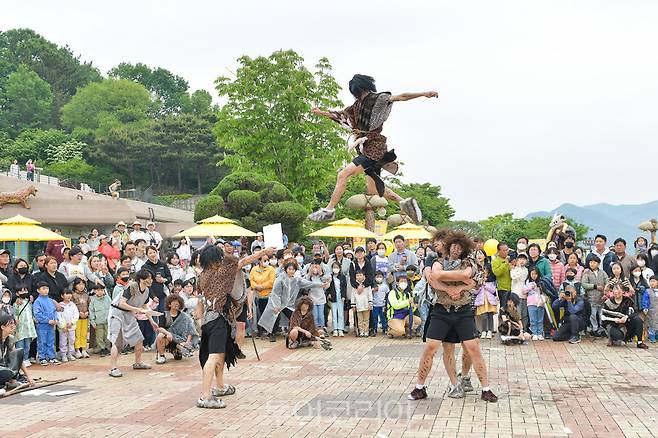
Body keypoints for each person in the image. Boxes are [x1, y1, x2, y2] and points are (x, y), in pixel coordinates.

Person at [308, 74, 435, 223]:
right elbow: (340, 116)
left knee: (343, 174)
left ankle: (329, 210)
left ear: (359, 88)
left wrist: (423, 94)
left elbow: (401, 97)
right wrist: (321, 112)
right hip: (367, 147)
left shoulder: (379, 98)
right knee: (375, 191)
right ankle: (406, 203)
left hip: (374, 147)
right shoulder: (356, 106)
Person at [410, 230, 498, 403]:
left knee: (473, 348)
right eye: (453, 246)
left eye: (460, 247)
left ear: (464, 249)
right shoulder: (437, 261)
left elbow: (468, 276)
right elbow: (434, 276)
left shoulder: (468, 262)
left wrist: (461, 283)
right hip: (441, 310)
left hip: (464, 310)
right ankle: (421, 387)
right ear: (448, 246)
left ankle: (485, 388)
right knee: (432, 347)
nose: (456, 249)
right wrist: (452, 287)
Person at [195, 245, 274, 409]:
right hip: (217, 319)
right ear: (215, 259)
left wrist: (200, 321)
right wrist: (262, 252)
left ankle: (220, 387)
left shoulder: (201, 276)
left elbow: (200, 300)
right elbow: (244, 261)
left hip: (210, 320)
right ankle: (205, 396)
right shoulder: (221, 272)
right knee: (215, 356)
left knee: (221, 355)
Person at [258, 260, 326, 341]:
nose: (291, 271)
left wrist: (321, 285)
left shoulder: (297, 280)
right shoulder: (280, 279)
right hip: (278, 303)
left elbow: (308, 283)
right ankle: (272, 334)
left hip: (289, 305)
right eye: (289, 269)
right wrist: (277, 306)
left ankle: (293, 333)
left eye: (293, 269)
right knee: (276, 317)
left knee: (293, 316)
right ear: (286, 270)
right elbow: (276, 294)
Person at [108, 269, 154, 377]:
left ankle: (138, 363)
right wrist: (135, 309)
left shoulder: (146, 291)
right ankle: (113, 368)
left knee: (139, 339)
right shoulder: (132, 287)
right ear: (142, 279)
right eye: (149, 278)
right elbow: (121, 303)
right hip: (117, 313)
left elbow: (145, 307)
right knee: (117, 341)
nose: (151, 280)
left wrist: (152, 321)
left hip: (129, 314)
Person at [602, 283, 648, 349]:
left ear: (623, 291)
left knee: (638, 319)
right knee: (618, 336)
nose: (616, 292)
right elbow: (603, 319)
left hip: (626, 325)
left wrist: (627, 317)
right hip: (613, 325)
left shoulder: (628, 301)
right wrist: (615, 320)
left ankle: (640, 342)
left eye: (618, 290)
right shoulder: (608, 302)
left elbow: (635, 312)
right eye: (615, 290)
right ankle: (612, 338)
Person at [155, 294, 197, 363]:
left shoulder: (185, 317)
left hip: (180, 340)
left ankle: (177, 350)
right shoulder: (164, 315)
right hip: (167, 338)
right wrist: (168, 333)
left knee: (178, 357)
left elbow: (191, 331)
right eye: (174, 302)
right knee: (160, 336)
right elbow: (160, 328)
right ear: (169, 304)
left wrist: (187, 343)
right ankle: (161, 355)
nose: (176, 304)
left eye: (178, 302)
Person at [0, 313, 34, 390]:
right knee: (6, 372)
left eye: (13, 324)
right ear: (2, 327)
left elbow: (18, 359)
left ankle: (11, 380)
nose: (13, 327)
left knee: (19, 352)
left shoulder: (10, 339)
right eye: (10, 324)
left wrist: (29, 377)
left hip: (5, 368)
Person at [581, 254, 608, 337]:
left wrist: (606, 289)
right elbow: (584, 284)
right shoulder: (587, 273)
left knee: (601, 314)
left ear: (598, 264)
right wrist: (595, 286)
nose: (592, 264)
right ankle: (595, 328)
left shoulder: (602, 272)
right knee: (593, 315)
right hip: (591, 298)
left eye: (594, 262)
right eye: (590, 262)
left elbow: (607, 281)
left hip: (601, 298)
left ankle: (602, 328)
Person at [33, 282, 58, 365]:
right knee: (42, 341)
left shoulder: (50, 300)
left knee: (50, 341)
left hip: (51, 325)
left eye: (47, 288)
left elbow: (54, 311)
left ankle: (51, 356)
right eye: (43, 288)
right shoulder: (37, 301)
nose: (46, 290)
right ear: (38, 290)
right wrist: (47, 320)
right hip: (42, 325)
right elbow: (37, 314)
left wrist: (55, 319)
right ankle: (42, 357)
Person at [143, 246, 172, 313]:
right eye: (150, 253)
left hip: (163, 294)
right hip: (151, 295)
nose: (153, 254)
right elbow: (145, 284)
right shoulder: (145, 267)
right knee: (153, 314)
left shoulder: (162, 264)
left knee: (163, 313)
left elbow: (169, 277)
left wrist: (164, 280)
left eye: (154, 252)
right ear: (147, 255)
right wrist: (153, 296)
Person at [12, 287, 36, 368]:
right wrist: (15, 320)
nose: (23, 292)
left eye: (25, 290)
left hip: (29, 327)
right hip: (20, 328)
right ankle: (20, 360)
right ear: (17, 293)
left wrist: (33, 318)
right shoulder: (16, 303)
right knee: (20, 345)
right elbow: (14, 313)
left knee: (27, 345)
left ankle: (26, 358)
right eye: (21, 290)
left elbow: (32, 312)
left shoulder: (29, 302)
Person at [474, 264, 498, 339]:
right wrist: (478, 286)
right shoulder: (480, 282)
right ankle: (484, 331)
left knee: (490, 316)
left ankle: (490, 331)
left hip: (490, 302)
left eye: (485, 270)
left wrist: (485, 285)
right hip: (482, 302)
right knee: (484, 316)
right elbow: (476, 292)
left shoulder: (491, 282)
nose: (484, 271)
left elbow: (493, 290)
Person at [57, 289, 79, 362]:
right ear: (62, 295)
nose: (69, 295)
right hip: (63, 328)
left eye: (70, 294)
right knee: (63, 341)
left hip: (71, 327)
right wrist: (63, 326)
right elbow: (58, 316)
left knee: (72, 340)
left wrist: (72, 322)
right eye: (66, 294)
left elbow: (76, 314)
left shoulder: (73, 305)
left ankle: (70, 354)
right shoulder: (60, 305)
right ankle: (63, 354)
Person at [326, 261, 347, 337]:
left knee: (340, 313)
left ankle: (341, 329)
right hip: (333, 297)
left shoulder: (342, 277)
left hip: (341, 297)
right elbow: (328, 287)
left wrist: (344, 296)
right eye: (334, 267)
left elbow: (344, 287)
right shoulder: (330, 277)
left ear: (340, 268)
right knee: (334, 314)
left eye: (337, 267)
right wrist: (328, 294)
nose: (335, 269)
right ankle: (335, 329)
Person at [89, 283, 111, 357]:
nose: (100, 292)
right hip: (98, 322)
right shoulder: (93, 300)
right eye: (98, 290)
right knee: (99, 336)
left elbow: (112, 308)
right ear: (94, 291)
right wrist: (93, 321)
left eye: (102, 290)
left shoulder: (107, 298)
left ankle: (107, 348)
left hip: (107, 321)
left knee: (107, 335)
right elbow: (91, 311)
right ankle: (102, 348)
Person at [525, 268, 546, 340]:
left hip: (540, 303)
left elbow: (545, 291)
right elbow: (523, 290)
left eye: (535, 274)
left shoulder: (541, 282)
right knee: (532, 319)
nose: (534, 276)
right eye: (532, 274)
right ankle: (534, 333)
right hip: (531, 303)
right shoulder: (527, 282)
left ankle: (540, 333)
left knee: (540, 319)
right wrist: (530, 287)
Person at [306, 262, 328, 332]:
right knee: (314, 315)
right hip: (312, 299)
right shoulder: (309, 277)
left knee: (321, 315)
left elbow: (326, 283)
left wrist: (320, 272)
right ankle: (315, 328)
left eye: (316, 267)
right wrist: (309, 272)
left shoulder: (322, 277)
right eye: (313, 267)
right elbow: (306, 283)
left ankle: (322, 328)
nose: (315, 269)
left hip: (321, 298)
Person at [71, 278, 90, 359]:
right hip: (77, 318)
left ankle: (84, 348)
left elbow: (89, 304)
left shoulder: (86, 295)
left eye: (83, 284)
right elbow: (71, 306)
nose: (81, 286)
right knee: (77, 334)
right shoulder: (73, 295)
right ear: (75, 286)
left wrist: (88, 312)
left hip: (85, 317)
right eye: (79, 284)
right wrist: (78, 313)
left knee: (84, 333)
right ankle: (77, 350)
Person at [510, 254, 529, 331]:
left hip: (524, 295)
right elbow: (514, 277)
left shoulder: (526, 270)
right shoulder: (514, 269)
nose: (522, 260)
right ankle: (517, 330)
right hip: (516, 295)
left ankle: (524, 329)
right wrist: (518, 268)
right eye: (520, 259)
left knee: (524, 314)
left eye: (524, 259)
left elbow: (524, 279)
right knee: (517, 314)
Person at [351, 270, 373, 337]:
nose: (359, 277)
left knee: (366, 319)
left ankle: (366, 331)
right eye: (357, 275)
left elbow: (370, 295)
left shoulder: (367, 286)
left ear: (364, 277)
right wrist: (353, 305)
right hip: (358, 305)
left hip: (366, 305)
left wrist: (370, 303)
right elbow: (352, 296)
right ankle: (361, 331)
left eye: (360, 275)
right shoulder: (354, 286)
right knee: (360, 320)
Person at [372, 271, 389, 336]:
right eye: (377, 277)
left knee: (383, 317)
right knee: (374, 317)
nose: (379, 278)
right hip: (374, 304)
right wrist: (373, 290)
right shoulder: (373, 286)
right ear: (375, 278)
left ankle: (384, 328)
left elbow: (387, 294)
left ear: (383, 277)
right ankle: (375, 329)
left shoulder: (385, 286)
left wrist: (386, 303)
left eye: (380, 277)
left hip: (382, 305)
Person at [642, 276, 658, 342]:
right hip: (651, 311)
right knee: (652, 323)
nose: (652, 283)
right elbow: (645, 300)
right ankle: (652, 336)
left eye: (654, 281)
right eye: (651, 281)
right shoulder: (647, 291)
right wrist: (645, 307)